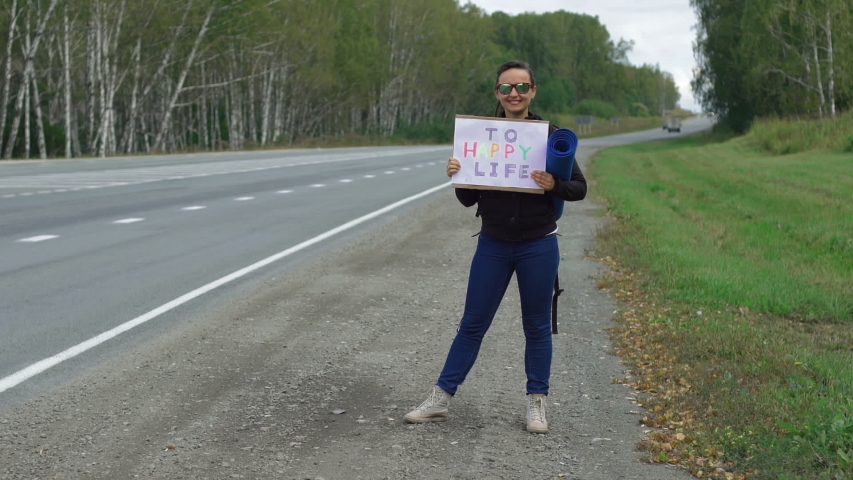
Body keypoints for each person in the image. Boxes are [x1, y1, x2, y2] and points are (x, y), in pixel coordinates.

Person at [404, 61, 587, 434]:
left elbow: (579, 188)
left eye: (521, 87)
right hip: (493, 244)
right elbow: (468, 200)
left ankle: (537, 404)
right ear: (497, 94)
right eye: (506, 88)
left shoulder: (548, 134)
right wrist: (458, 175)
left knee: (536, 327)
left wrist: (553, 184)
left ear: (533, 91)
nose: (514, 94)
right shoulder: (480, 135)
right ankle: (440, 398)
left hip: (539, 244)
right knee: (472, 324)